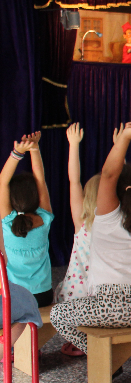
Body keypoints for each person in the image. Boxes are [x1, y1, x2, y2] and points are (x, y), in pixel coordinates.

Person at [50, 116, 131, 353]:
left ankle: (104, 357)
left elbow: (110, 174)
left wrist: (123, 138)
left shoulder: (104, 219)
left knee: (58, 314)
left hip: (111, 307)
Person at [56, 123, 100, 357]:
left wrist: (73, 145)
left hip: (74, 302)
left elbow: (74, 181)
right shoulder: (120, 228)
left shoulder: (82, 223)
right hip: (102, 305)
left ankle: (78, 340)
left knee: (60, 292)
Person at [0, 131, 53, 307]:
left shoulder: (7, 223)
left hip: (14, 297)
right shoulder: (45, 218)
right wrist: (35, 149)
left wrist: (17, 153)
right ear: (36, 197)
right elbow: (40, 179)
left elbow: (2, 182)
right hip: (43, 296)